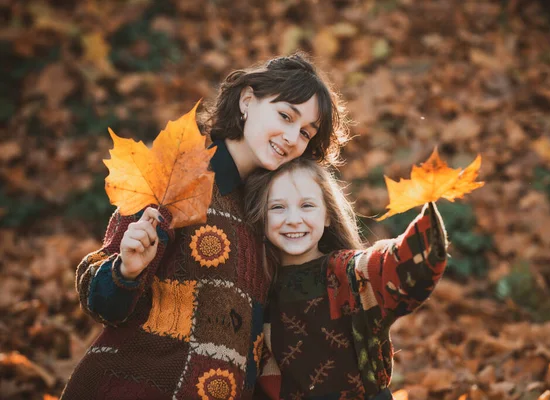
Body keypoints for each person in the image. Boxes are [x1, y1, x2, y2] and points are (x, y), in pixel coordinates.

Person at [61, 53, 350, 399]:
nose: (291, 136)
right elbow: (101, 302)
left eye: (305, 132)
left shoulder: (274, 214)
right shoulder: (180, 176)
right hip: (137, 386)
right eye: (285, 115)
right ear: (247, 100)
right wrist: (125, 271)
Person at [243, 158, 448, 399]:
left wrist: (420, 238)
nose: (293, 219)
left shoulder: (343, 272)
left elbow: (380, 268)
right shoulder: (260, 285)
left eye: (307, 206)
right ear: (261, 217)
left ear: (328, 215)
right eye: (277, 207)